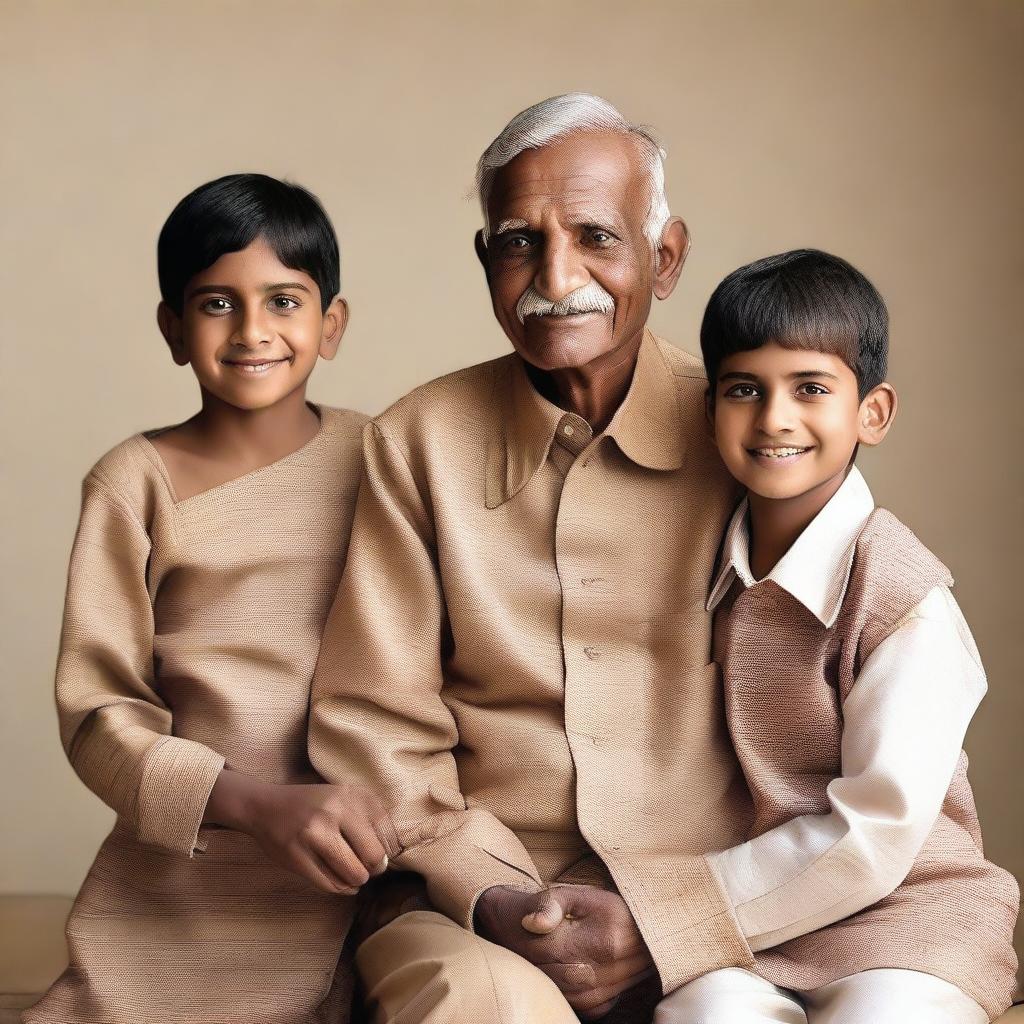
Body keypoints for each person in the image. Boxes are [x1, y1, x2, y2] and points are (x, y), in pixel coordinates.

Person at [308, 93, 750, 1022]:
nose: (557, 275)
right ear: (486, 261)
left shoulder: (750, 435)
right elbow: (373, 723)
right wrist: (494, 894)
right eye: (518, 242)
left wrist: (672, 917)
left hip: (711, 908)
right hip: (469, 909)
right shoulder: (416, 441)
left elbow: (819, 707)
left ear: (665, 258)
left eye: (596, 236)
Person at [26, 174, 404, 1024]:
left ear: (330, 325)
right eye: (216, 304)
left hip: (363, 866)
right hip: (182, 878)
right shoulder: (135, 482)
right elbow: (97, 712)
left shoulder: (385, 460)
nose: (253, 331)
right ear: (172, 328)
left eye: (283, 300)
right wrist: (253, 803)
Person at [651, 249, 1017, 1022]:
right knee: (703, 1016)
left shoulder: (902, 596)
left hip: (910, 917)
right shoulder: (705, 564)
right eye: (744, 390)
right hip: (755, 927)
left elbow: (879, 831)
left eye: (810, 388)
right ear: (709, 408)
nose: (775, 418)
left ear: (871, 413)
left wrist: (681, 913)